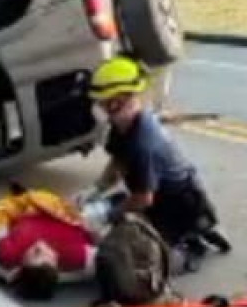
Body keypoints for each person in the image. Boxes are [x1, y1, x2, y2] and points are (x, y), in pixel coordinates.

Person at [83, 56, 231, 266]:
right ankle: (197, 230)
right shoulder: (123, 124)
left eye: (104, 102)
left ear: (120, 100)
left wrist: (110, 215)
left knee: (150, 259)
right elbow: (118, 161)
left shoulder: (144, 144)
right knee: (111, 209)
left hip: (178, 204)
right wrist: (96, 189)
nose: (100, 108)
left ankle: (195, 243)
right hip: (155, 193)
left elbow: (143, 198)